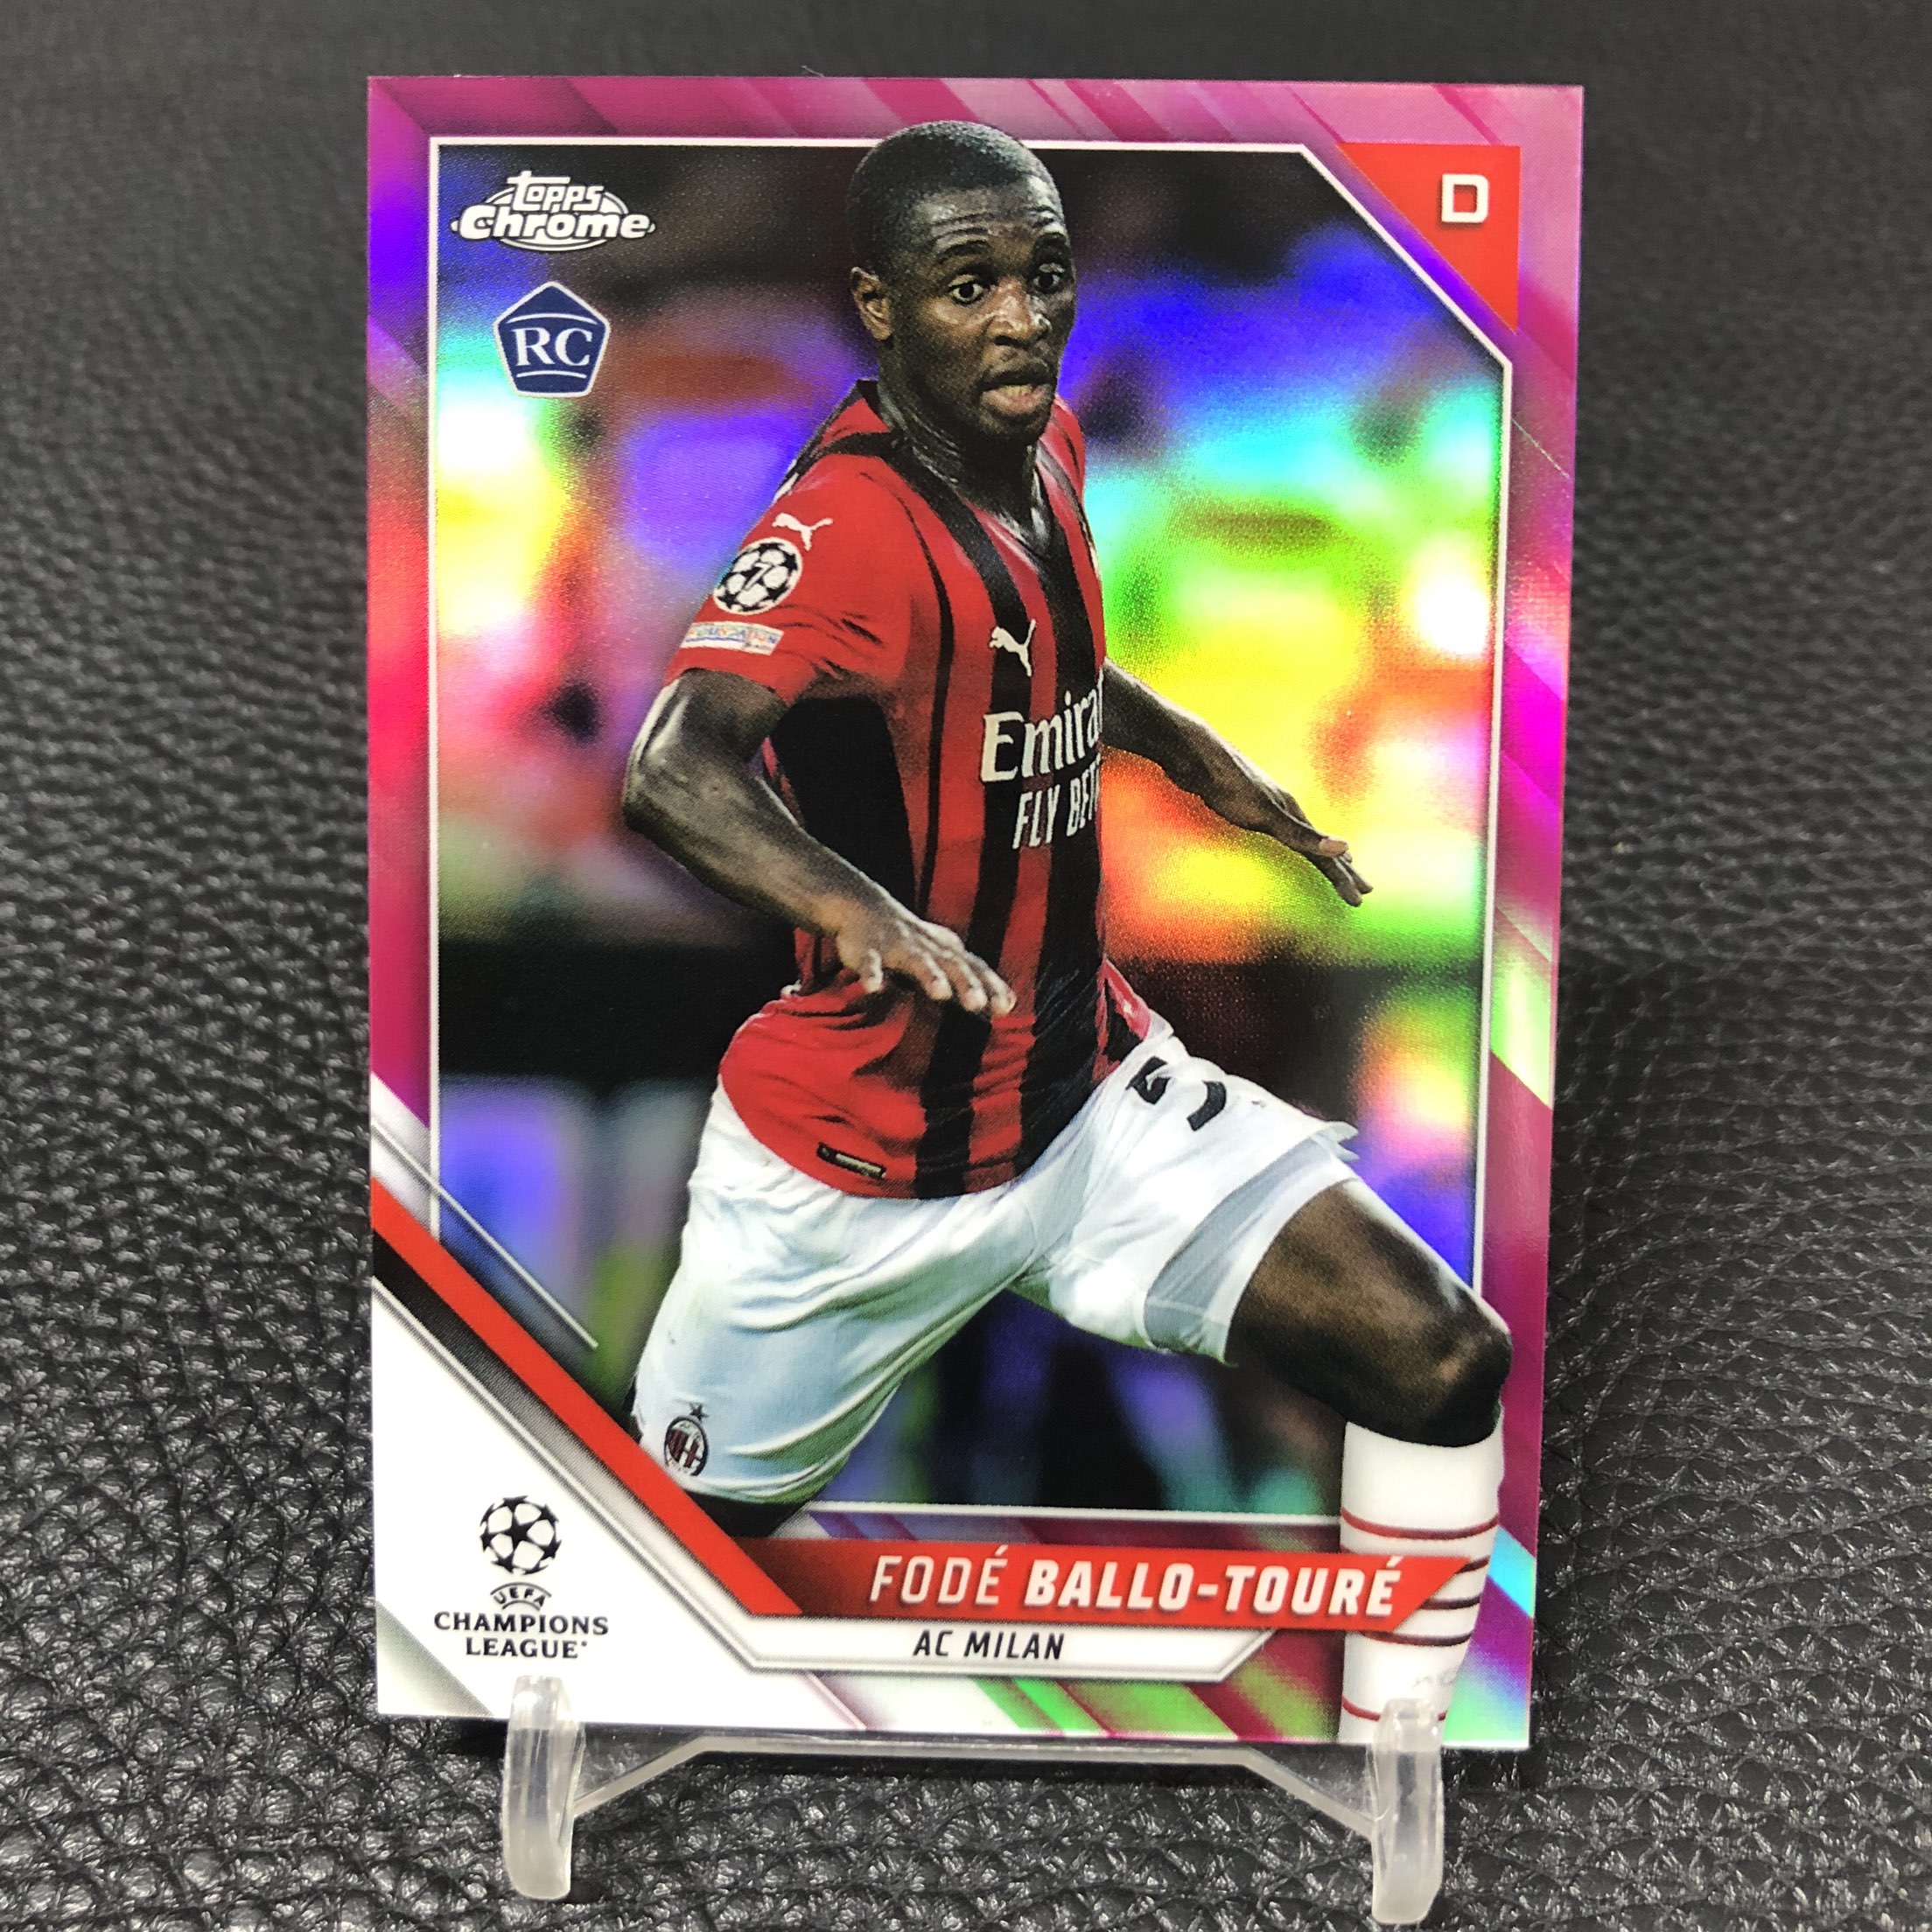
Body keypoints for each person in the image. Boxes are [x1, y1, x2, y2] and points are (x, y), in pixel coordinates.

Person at [620, 122, 1511, 1740]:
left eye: (1044, 277)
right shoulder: (845, 526)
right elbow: (672, 766)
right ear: (880, 307)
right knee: (667, 1562)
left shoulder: (1049, 451)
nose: (1022, 317)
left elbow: (1043, 656)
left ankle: (1405, 1748)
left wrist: (1194, 755)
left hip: (1087, 1097)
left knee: (1440, 1356)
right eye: (971, 286)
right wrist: (867, 914)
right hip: (858, 1163)